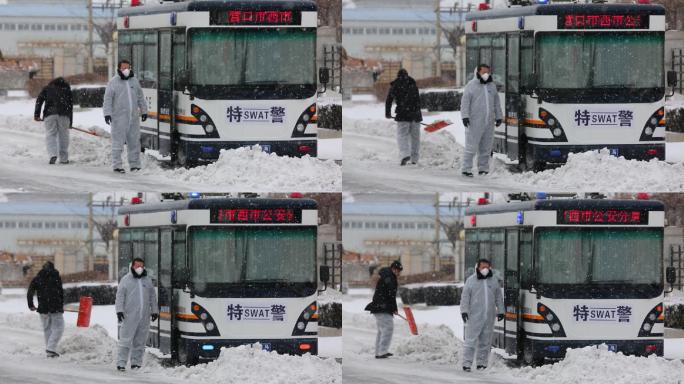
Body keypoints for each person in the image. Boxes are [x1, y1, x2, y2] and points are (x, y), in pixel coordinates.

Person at [103, 60, 148, 174]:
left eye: (128, 67)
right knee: (118, 142)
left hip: (133, 117)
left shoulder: (134, 81)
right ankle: (117, 165)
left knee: (134, 142)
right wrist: (107, 113)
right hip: (119, 117)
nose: (126, 70)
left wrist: (144, 111)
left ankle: (135, 165)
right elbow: (108, 99)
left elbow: (140, 97)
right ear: (119, 69)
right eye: (123, 68)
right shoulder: (113, 82)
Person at [460, 258, 504, 371]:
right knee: (470, 340)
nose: (485, 269)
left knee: (485, 341)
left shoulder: (493, 280)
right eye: (482, 267)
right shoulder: (471, 281)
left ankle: (481, 363)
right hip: (474, 315)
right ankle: (466, 364)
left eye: (487, 267)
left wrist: (501, 311)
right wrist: (464, 311)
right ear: (478, 267)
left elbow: (498, 297)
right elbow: (465, 297)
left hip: (489, 316)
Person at [115, 257, 158, 371]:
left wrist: (154, 310)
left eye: (141, 266)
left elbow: (152, 296)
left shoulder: (147, 280)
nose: (139, 268)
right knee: (125, 340)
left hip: (144, 316)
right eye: (137, 266)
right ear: (132, 266)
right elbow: (120, 296)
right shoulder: (126, 280)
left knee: (140, 340)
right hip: (129, 315)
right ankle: (121, 363)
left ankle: (136, 363)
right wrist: (119, 310)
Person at [460, 64, 503, 177]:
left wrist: (499, 116)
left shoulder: (491, 86)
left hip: (489, 122)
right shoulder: (471, 85)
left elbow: (496, 103)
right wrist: (465, 116)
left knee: (486, 147)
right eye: (483, 72)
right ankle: (466, 169)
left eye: (487, 72)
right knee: (471, 146)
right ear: (477, 72)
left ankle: (483, 169)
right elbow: (465, 103)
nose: (486, 74)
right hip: (474, 121)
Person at [364, 260, 403, 359]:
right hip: (382, 307)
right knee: (388, 328)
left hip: (379, 306)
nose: (399, 273)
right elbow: (391, 295)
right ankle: (382, 351)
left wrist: (393, 308)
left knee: (382, 330)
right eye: (398, 271)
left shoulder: (386, 275)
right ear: (393, 269)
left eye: (400, 271)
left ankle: (379, 351)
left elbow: (389, 294)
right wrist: (394, 308)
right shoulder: (389, 277)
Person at [27, 261, 65, 358]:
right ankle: (51, 349)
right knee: (59, 328)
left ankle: (50, 350)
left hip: (43, 307)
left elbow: (30, 291)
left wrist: (31, 304)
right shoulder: (56, 276)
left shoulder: (38, 278)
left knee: (47, 329)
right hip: (55, 307)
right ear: (53, 268)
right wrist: (61, 304)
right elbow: (60, 292)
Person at [385, 69, 422, 166]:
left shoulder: (396, 85)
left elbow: (389, 100)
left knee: (402, 135)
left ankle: (404, 154)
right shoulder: (413, 84)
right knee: (415, 137)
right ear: (407, 75)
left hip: (403, 114)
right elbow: (418, 100)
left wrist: (388, 113)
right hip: (415, 114)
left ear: (398, 76)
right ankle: (415, 159)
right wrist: (416, 113)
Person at [34, 77, 73, 165]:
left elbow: (39, 100)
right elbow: (71, 106)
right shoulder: (67, 90)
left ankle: (53, 154)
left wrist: (37, 114)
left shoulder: (47, 89)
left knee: (51, 134)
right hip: (64, 114)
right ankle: (64, 158)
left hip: (50, 114)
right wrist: (70, 122)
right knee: (64, 136)